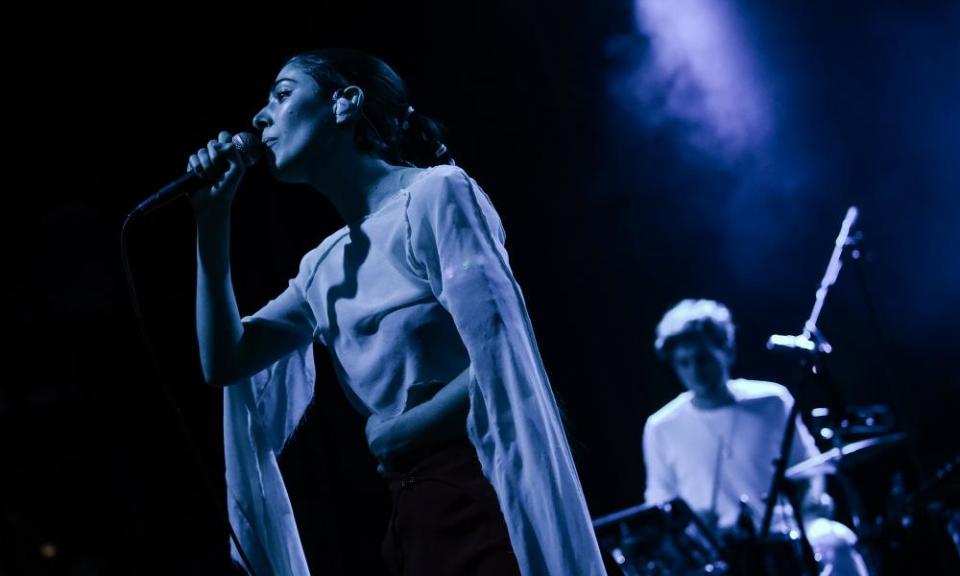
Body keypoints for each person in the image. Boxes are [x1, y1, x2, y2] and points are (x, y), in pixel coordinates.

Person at [187, 49, 606, 576]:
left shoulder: (436, 193)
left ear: (344, 103)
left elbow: (506, 358)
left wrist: (396, 433)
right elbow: (224, 361)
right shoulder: (322, 267)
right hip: (414, 515)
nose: (260, 116)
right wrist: (212, 226)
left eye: (283, 94)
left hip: (486, 488)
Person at [642, 299, 869, 575]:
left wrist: (812, 505)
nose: (695, 372)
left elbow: (809, 469)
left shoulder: (772, 400)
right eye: (684, 363)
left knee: (836, 540)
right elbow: (661, 501)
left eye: (703, 358)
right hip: (717, 553)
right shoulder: (661, 426)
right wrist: (692, 530)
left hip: (785, 533)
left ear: (726, 350)